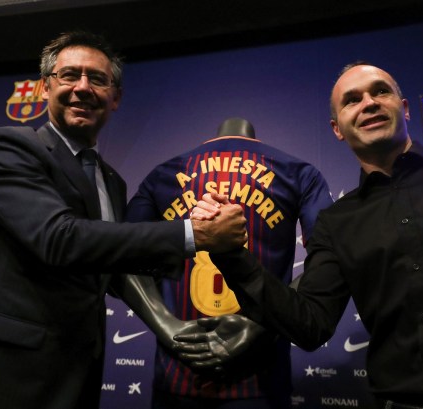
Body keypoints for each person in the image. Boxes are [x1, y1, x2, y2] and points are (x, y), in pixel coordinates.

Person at [192, 63, 423, 409]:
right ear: (337, 128)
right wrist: (231, 256)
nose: (368, 103)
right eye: (352, 100)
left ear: (403, 108)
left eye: (379, 92)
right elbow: (308, 325)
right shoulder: (336, 222)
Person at [0, 31, 246, 409]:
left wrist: (173, 321)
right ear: (45, 88)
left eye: (97, 79)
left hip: (73, 371)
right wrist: (195, 233)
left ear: (115, 98)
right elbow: (60, 239)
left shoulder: (112, 181)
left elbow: (113, 261)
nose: (82, 87)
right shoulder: (12, 147)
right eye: (69, 75)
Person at [121, 117, 333, 408]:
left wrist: (169, 328)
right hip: (260, 381)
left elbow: (120, 257)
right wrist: (260, 328)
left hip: (179, 373)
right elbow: (328, 262)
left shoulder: (163, 175)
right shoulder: (298, 172)